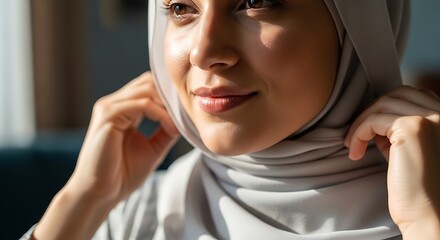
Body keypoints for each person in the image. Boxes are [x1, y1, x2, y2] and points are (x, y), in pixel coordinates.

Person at [22, 0, 440, 239]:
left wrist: (426, 223)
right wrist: (80, 203)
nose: (204, 51)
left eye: (254, 1)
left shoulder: (427, 205)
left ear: (356, 27)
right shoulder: (138, 217)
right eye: (181, 7)